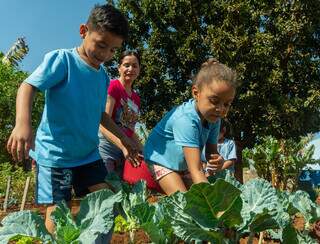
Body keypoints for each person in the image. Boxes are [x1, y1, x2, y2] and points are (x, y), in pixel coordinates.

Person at [6, 4, 135, 235]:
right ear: (83, 31)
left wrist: (123, 140)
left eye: (113, 50)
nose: (105, 54)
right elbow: (27, 86)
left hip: (87, 156)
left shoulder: (103, 77)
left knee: (104, 203)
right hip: (55, 158)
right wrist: (23, 123)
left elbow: (100, 115)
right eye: (101, 44)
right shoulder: (62, 60)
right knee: (58, 213)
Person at [143, 58, 238, 195]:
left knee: (200, 194)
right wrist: (214, 208)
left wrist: (217, 159)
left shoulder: (214, 119)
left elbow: (211, 152)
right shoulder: (185, 120)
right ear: (196, 93)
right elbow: (196, 170)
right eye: (214, 101)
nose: (221, 109)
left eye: (227, 104)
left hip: (183, 165)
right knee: (184, 203)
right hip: (161, 162)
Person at [99, 50, 143, 175]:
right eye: (126, 65)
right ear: (119, 68)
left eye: (135, 66)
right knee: (108, 188)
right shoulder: (113, 86)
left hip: (125, 151)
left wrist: (143, 150)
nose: (131, 69)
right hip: (107, 147)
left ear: (139, 70)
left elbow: (130, 130)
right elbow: (103, 124)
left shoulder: (136, 98)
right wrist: (123, 146)